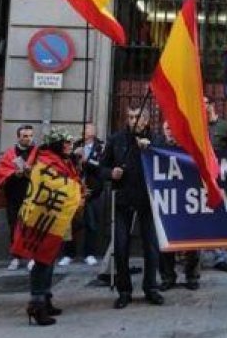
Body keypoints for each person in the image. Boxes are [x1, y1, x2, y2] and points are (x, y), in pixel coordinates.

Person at [100, 106, 163, 308]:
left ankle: (151, 288)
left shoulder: (157, 139)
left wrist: (150, 150)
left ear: (146, 120)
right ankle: (124, 290)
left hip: (148, 200)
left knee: (151, 247)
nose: (133, 120)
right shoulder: (116, 139)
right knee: (120, 246)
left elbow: (167, 164)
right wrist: (112, 173)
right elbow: (102, 167)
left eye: (137, 117)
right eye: (130, 116)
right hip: (123, 199)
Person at [22, 128, 81, 326]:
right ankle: (36, 303)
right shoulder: (45, 161)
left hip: (56, 218)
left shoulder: (63, 161)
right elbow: (51, 185)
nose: (70, 146)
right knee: (42, 260)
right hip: (43, 218)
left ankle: (45, 298)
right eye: (66, 143)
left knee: (50, 258)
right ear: (57, 144)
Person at [157, 122, 200, 291]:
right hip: (166, 201)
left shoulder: (188, 147)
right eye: (168, 128)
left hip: (187, 200)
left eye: (174, 129)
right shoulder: (157, 146)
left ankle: (191, 276)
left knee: (192, 240)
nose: (171, 132)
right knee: (166, 240)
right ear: (163, 130)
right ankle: (168, 277)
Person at [63, 122, 105, 267]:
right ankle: (69, 254)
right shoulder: (74, 145)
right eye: (85, 128)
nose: (86, 130)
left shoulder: (101, 146)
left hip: (93, 192)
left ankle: (89, 253)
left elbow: (102, 166)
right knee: (71, 224)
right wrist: (74, 157)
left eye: (89, 128)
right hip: (74, 191)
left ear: (94, 131)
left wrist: (87, 160)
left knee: (91, 224)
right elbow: (65, 165)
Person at [204, 97, 227, 273]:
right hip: (199, 179)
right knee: (199, 216)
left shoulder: (226, 128)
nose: (201, 106)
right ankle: (195, 257)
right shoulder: (196, 126)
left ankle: (220, 257)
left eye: (204, 102)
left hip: (220, 180)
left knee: (219, 216)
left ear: (212, 105)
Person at [0, 125, 37, 271]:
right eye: (24, 136)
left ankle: (32, 256)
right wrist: (14, 174)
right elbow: (1, 173)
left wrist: (31, 171)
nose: (28, 139)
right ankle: (15, 257)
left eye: (30, 136)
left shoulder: (38, 153)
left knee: (32, 226)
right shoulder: (10, 153)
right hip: (14, 196)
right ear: (18, 137)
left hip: (32, 196)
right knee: (14, 226)